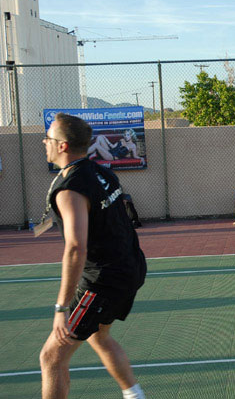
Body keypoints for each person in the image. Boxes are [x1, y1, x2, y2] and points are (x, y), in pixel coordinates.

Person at [39, 113, 147, 398]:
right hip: (131, 268)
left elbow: (75, 247)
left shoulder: (71, 188)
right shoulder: (100, 172)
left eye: (48, 138)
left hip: (103, 282)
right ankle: (134, 395)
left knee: (51, 357)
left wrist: (62, 308)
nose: (44, 142)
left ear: (62, 145)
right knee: (99, 336)